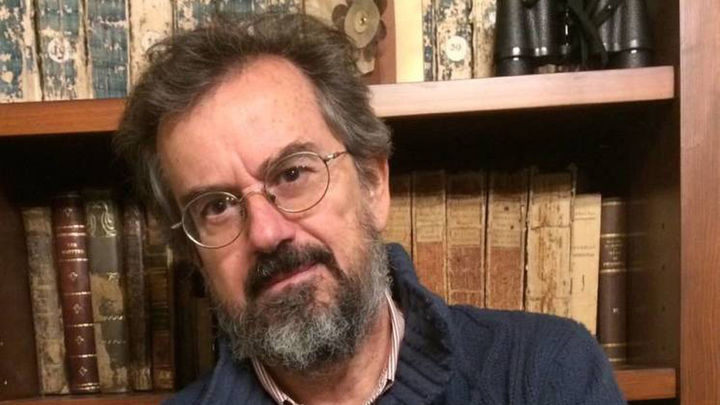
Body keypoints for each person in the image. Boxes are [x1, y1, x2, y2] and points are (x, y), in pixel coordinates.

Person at [114, 13, 625, 405]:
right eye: (217, 207)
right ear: (194, 254)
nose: (267, 233)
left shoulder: (545, 375)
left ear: (374, 185)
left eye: (292, 174)